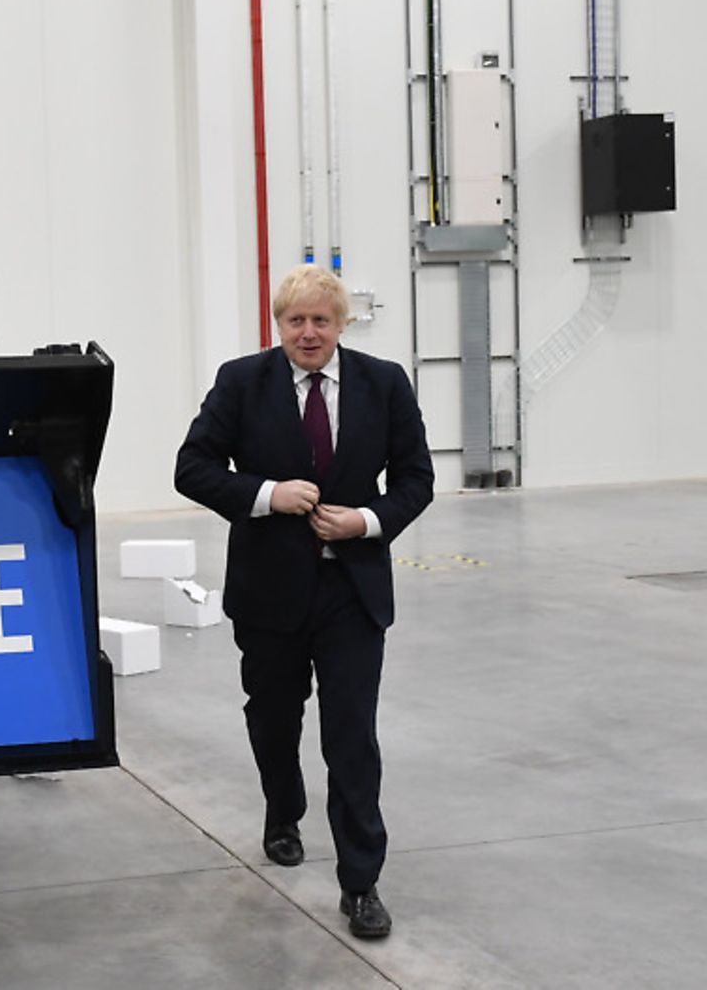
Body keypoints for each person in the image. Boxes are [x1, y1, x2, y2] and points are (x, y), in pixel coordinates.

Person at [174, 265, 433, 941]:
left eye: (321, 320)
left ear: (341, 324)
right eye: (296, 321)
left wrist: (365, 522)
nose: (309, 333)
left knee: (351, 737)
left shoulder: (384, 383)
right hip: (268, 591)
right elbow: (192, 466)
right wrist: (266, 496)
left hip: (352, 590)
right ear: (278, 324)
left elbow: (416, 478)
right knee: (273, 719)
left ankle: (361, 883)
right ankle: (282, 811)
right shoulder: (242, 381)